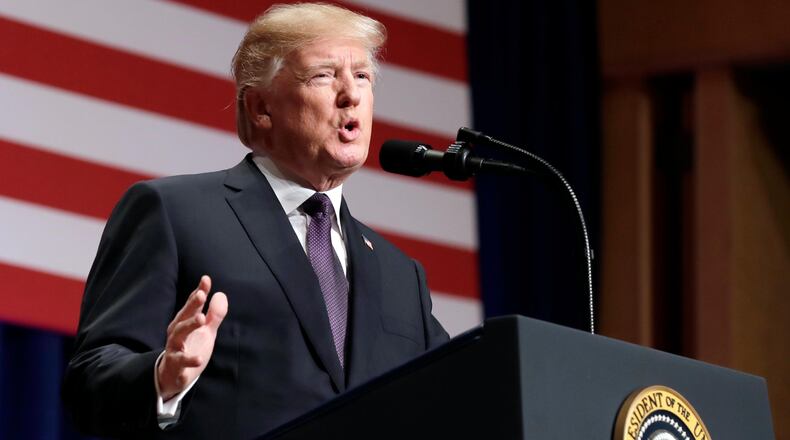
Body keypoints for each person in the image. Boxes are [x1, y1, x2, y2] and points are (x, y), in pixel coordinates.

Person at [62, 3, 449, 438]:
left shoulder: (401, 275)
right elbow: (89, 384)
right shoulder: (175, 213)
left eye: (362, 76)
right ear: (261, 107)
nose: (351, 95)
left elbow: (455, 398)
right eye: (324, 75)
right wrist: (163, 376)